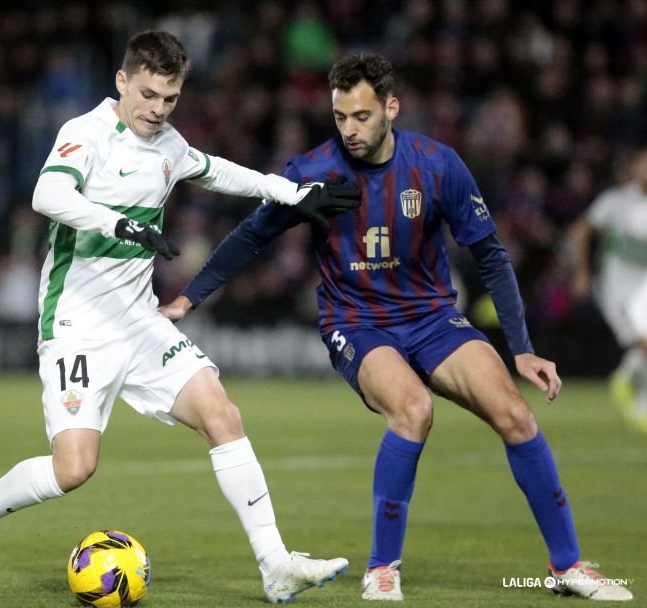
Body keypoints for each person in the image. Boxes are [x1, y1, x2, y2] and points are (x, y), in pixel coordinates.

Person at [161, 53, 633, 602]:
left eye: (361, 116)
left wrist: (522, 349)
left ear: (391, 107)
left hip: (432, 317)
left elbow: (490, 254)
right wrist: (189, 298)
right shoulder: (312, 173)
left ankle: (567, 566)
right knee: (413, 410)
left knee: (516, 414)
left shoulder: (436, 165)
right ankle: (382, 567)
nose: (349, 130)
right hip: (356, 322)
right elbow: (251, 236)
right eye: (340, 117)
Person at [0, 31, 357, 604]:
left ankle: (275, 565)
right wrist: (118, 224)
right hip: (76, 324)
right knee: (73, 468)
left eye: (170, 99)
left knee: (222, 414)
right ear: (123, 82)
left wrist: (290, 193)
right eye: (148, 94)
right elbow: (46, 196)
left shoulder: (168, 144)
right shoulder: (85, 133)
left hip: (138, 320)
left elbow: (218, 170)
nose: (156, 110)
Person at [568, 147, 647, 433]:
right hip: (617, 288)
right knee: (644, 343)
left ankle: (626, 377)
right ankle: (640, 403)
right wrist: (582, 271)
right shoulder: (616, 201)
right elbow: (581, 230)